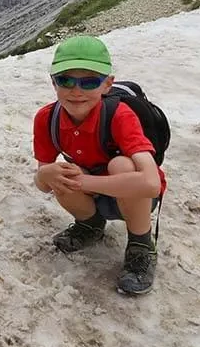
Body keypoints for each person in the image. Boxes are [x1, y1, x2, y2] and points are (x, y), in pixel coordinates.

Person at [32, 35, 165, 295]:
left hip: (132, 193)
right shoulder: (47, 119)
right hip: (95, 188)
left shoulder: (120, 116)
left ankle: (141, 244)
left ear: (107, 85)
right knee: (62, 172)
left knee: (122, 166)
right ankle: (90, 225)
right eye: (66, 80)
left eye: (89, 81)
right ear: (54, 83)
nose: (76, 90)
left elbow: (150, 183)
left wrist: (83, 182)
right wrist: (46, 174)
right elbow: (43, 182)